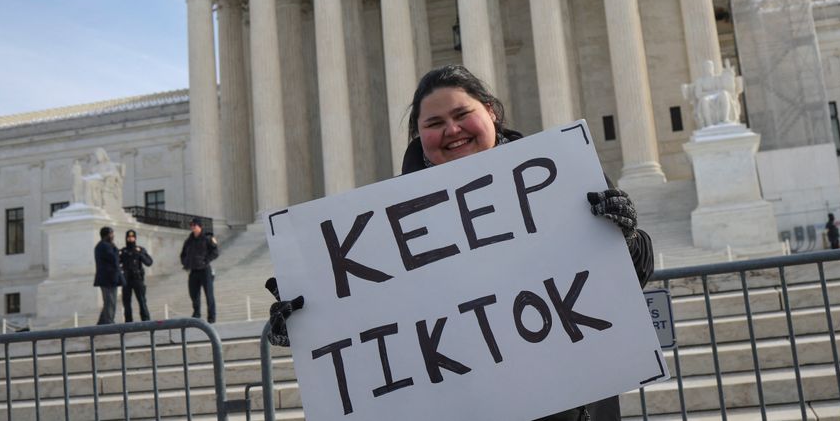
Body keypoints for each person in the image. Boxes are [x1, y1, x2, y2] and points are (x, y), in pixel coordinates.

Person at [267, 65, 655, 421]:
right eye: (435, 123)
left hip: (569, 406)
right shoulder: (383, 230)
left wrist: (625, 235)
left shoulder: (562, 177)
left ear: (491, 112)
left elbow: (635, 275)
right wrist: (308, 326)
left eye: (461, 114)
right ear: (419, 136)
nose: (452, 130)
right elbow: (377, 324)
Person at [180, 218, 219, 323]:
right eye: (191, 225)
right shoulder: (189, 240)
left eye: (194, 225)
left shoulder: (207, 237)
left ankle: (211, 317)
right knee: (193, 294)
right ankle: (196, 314)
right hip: (193, 271)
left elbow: (215, 252)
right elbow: (183, 254)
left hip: (205, 270)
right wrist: (186, 263)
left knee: (209, 294)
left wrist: (206, 261)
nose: (192, 227)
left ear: (199, 226)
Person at [119, 229, 153, 322]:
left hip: (137, 279)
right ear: (126, 238)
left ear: (135, 238)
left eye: (132, 237)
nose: (131, 239)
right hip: (126, 280)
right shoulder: (123, 251)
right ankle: (128, 321)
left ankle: (146, 320)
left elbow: (149, 262)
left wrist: (140, 253)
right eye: (129, 237)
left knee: (142, 301)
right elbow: (117, 262)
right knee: (126, 302)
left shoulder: (140, 249)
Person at [93, 226, 123, 325]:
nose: (113, 236)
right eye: (111, 234)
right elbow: (114, 259)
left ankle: (102, 322)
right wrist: (116, 250)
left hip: (110, 278)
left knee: (109, 301)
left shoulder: (104, 245)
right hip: (107, 278)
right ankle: (109, 322)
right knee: (110, 302)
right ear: (106, 235)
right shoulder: (104, 246)